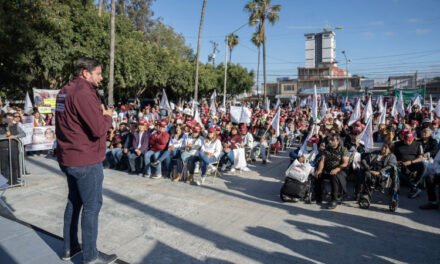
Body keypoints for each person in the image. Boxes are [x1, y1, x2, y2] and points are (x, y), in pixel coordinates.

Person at [55, 57, 117, 264]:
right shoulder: (83, 92)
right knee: (92, 206)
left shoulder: (64, 91)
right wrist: (107, 116)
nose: (101, 77)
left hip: (68, 156)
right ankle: (90, 256)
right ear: (85, 72)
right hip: (85, 159)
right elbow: (98, 128)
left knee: (74, 202)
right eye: (98, 73)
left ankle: (69, 249)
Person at [314, 134, 350, 209]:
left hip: (340, 170)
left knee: (334, 176)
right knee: (318, 174)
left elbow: (345, 163)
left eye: (332, 140)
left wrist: (336, 169)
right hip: (327, 169)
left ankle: (334, 199)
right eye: (329, 140)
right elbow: (322, 161)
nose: (330, 141)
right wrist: (320, 170)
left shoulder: (343, 149)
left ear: (338, 141)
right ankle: (318, 196)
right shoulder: (327, 149)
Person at [393, 131, 424, 199]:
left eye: (409, 140)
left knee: (422, 166)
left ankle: (415, 183)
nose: (408, 141)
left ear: (413, 138)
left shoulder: (418, 144)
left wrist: (411, 162)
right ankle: (413, 187)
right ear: (403, 138)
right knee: (396, 170)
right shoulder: (397, 144)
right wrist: (398, 162)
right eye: (406, 140)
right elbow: (393, 156)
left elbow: (421, 158)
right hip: (400, 163)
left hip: (412, 162)